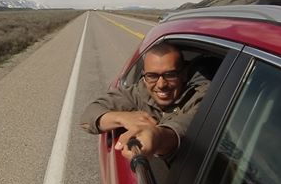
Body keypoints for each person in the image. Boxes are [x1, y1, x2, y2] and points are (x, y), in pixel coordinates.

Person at [80, 42, 210, 160]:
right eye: (152, 76)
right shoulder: (136, 93)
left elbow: (189, 124)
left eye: (170, 75)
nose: (161, 84)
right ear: (144, 77)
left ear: (183, 74)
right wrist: (122, 117)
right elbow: (88, 116)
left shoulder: (200, 96)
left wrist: (156, 137)